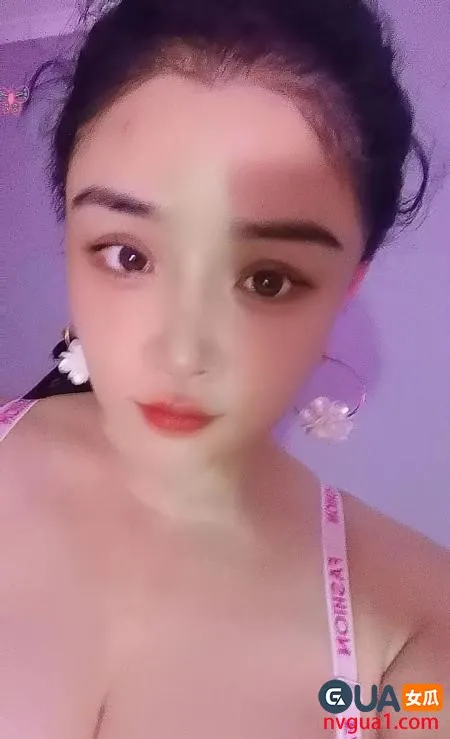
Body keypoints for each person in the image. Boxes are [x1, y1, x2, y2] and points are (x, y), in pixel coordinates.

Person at [0, 0, 448, 737]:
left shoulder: (417, 631)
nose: (182, 353)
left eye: (266, 279)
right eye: (128, 255)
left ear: (346, 286)